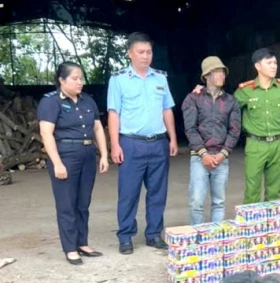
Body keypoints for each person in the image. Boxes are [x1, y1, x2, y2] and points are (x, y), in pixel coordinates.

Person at [107, 32, 178, 255]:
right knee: (128, 193)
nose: (146, 56)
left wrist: (172, 138)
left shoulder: (160, 78)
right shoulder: (118, 80)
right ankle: (126, 236)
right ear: (130, 53)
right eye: (141, 52)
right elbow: (113, 113)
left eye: (149, 52)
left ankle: (154, 234)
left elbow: (167, 109)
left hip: (158, 143)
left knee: (158, 192)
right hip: (131, 143)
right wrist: (115, 144)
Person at [37, 62, 109, 265]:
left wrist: (104, 155)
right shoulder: (50, 102)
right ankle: (70, 248)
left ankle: (82, 242)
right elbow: (46, 134)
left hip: (87, 154)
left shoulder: (88, 101)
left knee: (83, 203)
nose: (80, 82)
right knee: (67, 204)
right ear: (61, 80)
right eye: (74, 78)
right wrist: (57, 163)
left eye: (81, 78)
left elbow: (97, 129)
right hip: (66, 155)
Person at [235, 48, 280, 204]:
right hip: (255, 144)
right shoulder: (245, 91)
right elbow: (226, 107)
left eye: (275, 63)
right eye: (269, 63)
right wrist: (204, 91)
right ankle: (252, 226)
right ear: (258, 66)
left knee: (275, 191)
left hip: (279, 143)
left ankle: (272, 225)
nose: (274, 66)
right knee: (252, 190)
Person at [181, 56, 241, 225]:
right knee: (196, 202)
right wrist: (203, 154)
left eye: (223, 72)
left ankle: (215, 239)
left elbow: (234, 130)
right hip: (199, 158)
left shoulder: (231, 101)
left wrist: (223, 154)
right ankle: (198, 237)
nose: (222, 75)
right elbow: (190, 129)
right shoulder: (193, 99)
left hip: (221, 158)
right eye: (217, 72)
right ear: (207, 76)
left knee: (219, 202)